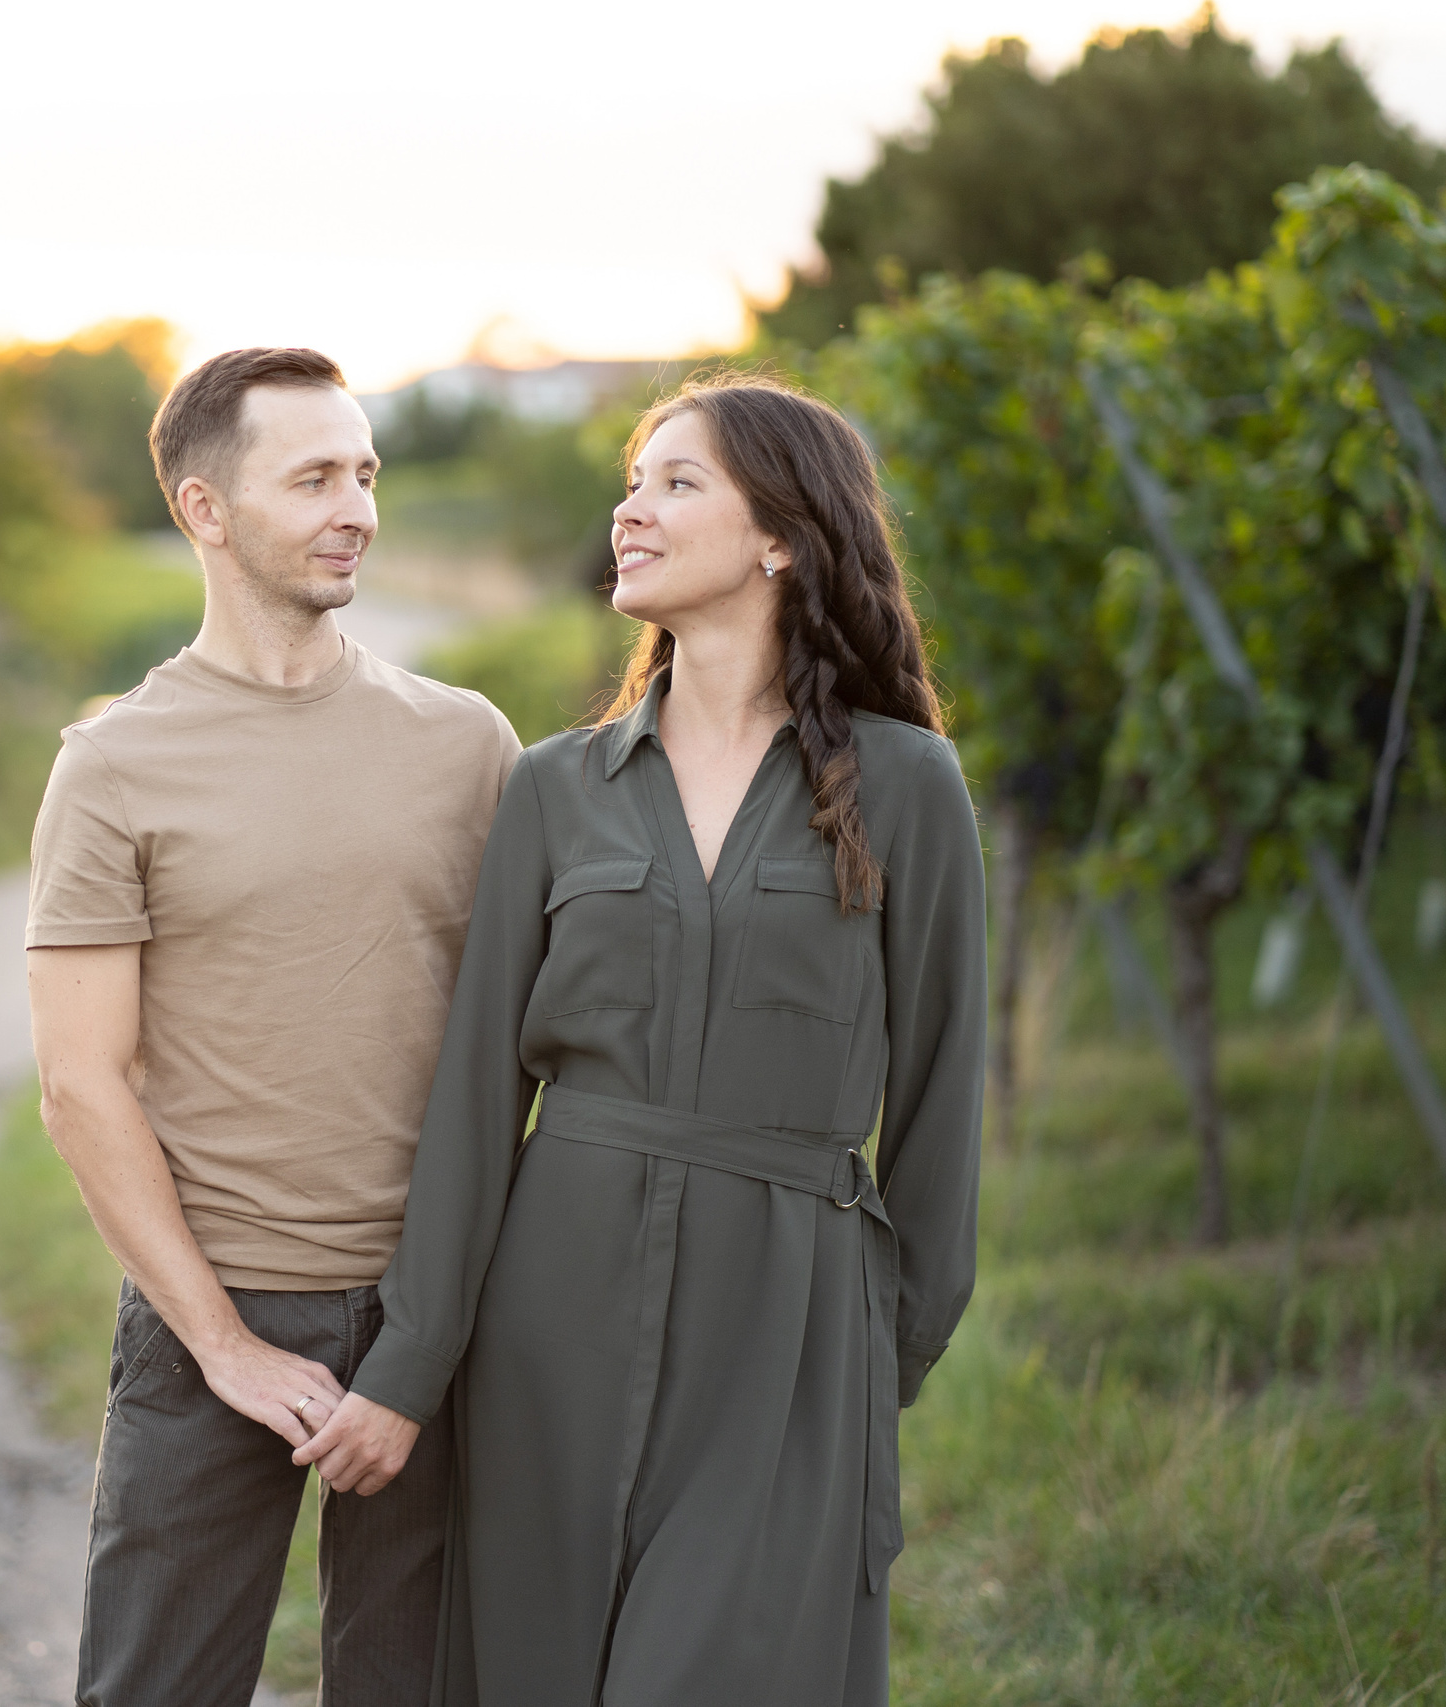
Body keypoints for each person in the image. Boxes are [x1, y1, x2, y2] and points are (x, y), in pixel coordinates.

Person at [296, 371, 987, 1705]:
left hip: (789, 1333)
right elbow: (476, 1102)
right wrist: (411, 1362)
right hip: (552, 1320)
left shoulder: (908, 788)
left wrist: (876, 1361)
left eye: (678, 482)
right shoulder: (557, 788)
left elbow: (946, 1102)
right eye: (631, 482)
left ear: (781, 535)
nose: (632, 511)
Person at [25, 347, 524, 1707]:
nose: (355, 505)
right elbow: (83, 1085)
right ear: (205, 509)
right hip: (215, 1315)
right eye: (312, 478)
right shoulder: (114, 765)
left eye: (364, 472)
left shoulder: (470, 745)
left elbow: (525, 1037)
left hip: (436, 1321)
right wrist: (226, 1348)